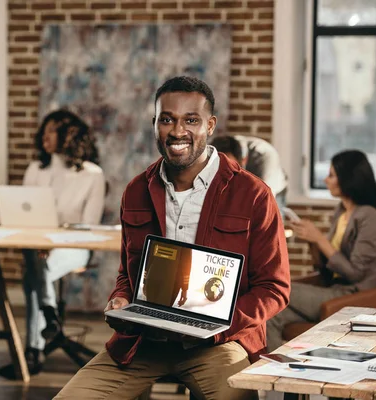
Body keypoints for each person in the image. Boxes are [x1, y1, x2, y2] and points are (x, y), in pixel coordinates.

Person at [55, 76, 290, 399]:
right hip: (144, 342)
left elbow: (274, 289)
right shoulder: (137, 190)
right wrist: (122, 298)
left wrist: (217, 325)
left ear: (210, 126)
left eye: (190, 120)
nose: (178, 131)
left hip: (219, 343)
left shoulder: (252, 194)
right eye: (167, 119)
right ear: (154, 124)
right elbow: (129, 272)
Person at [0, 110, 106, 379]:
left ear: (69, 135)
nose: (45, 136)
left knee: (33, 273)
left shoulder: (92, 174)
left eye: (52, 130)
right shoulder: (36, 169)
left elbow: (89, 226)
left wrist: (54, 241)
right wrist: (40, 240)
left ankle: (33, 351)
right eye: (43, 130)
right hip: (38, 245)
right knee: (36, 262)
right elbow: (23, 217)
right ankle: (49, 319)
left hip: (75, 247)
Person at [267, 150, 376, 352]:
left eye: (331, 175)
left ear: (348, 179)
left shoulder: (370, 217)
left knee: (275, 289)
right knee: (269, 314)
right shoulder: (342, 212)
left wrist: (320, 238)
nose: (326, 179)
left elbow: (355, 273)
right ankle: (270, 374)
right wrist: (312, 242)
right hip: (332, 288)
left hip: (354, 295)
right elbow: (323, 268)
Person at [210, 135, 288, 211]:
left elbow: (265, 199)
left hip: (273, 189)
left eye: (229, 166)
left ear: (244, 160)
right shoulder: (212, 151)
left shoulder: (265, 155)